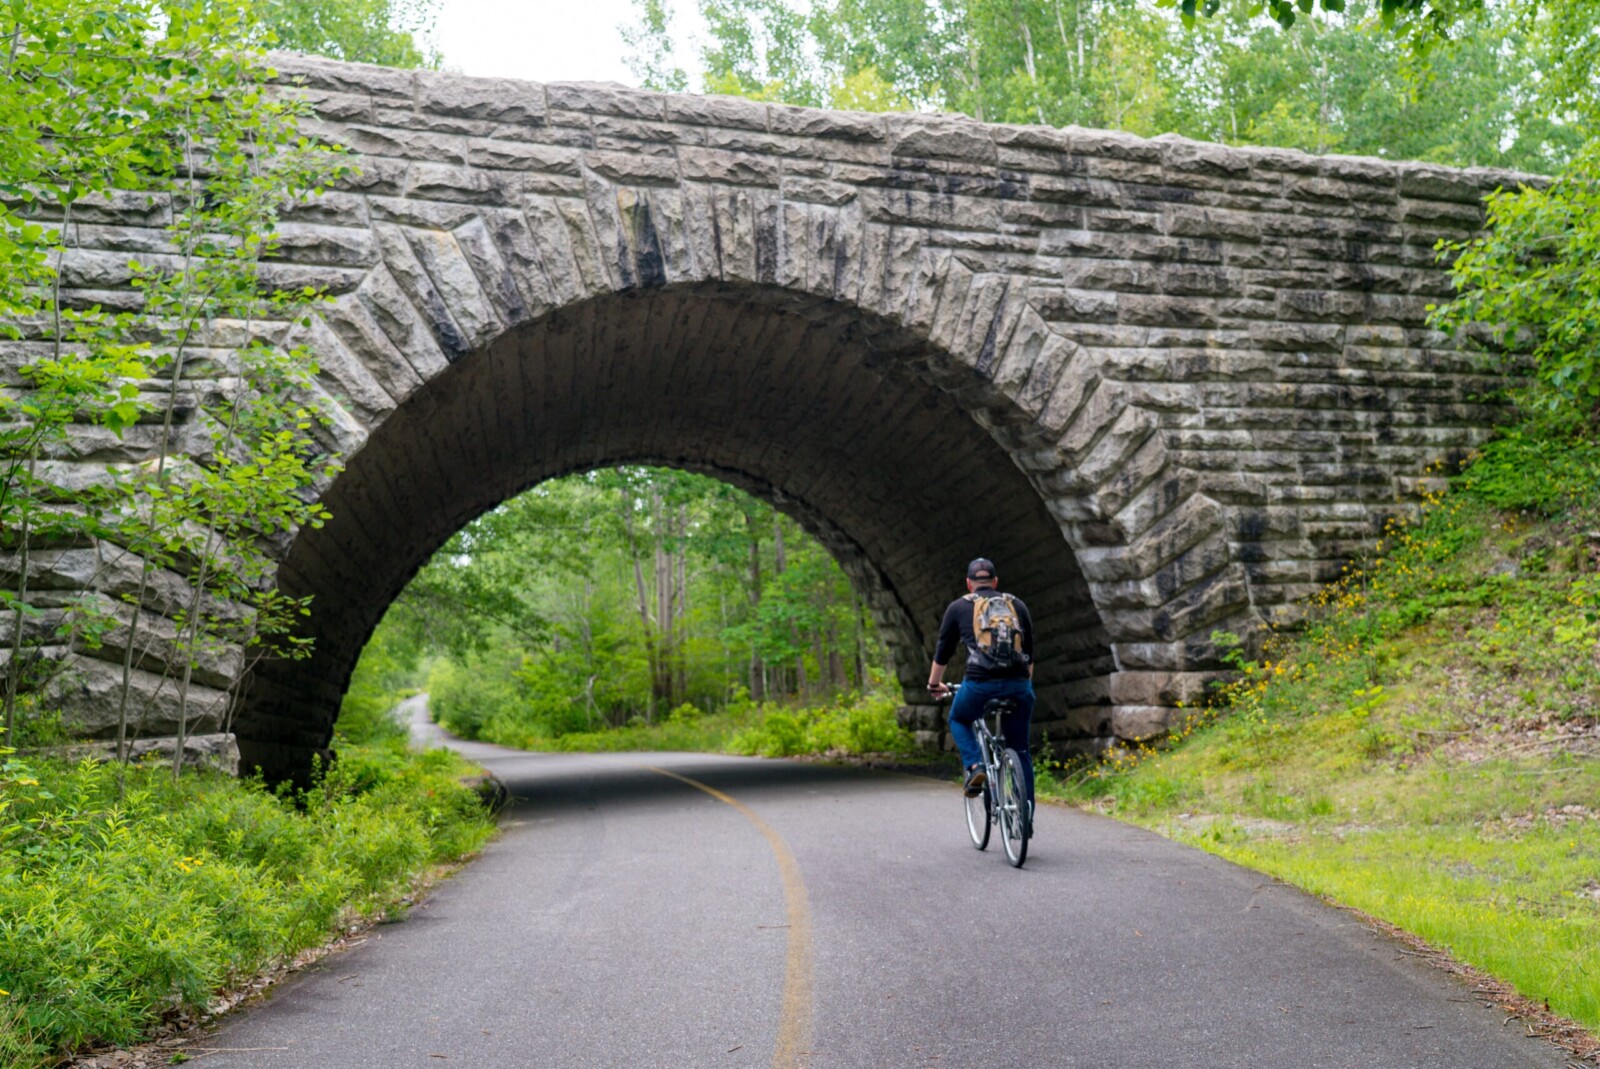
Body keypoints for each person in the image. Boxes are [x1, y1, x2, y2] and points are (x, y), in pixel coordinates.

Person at [926, 557, 1036, 804]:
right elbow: (1029, 653)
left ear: (969, 584)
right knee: (1020, 749)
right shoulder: (1018, 605)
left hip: (979, 684)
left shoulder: (958, 608)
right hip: (1018, 685)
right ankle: (1026, 812)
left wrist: (935, 684)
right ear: (995, 582)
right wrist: (1023, 685)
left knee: (958, 718)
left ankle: (975, 765)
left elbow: (944, 649)